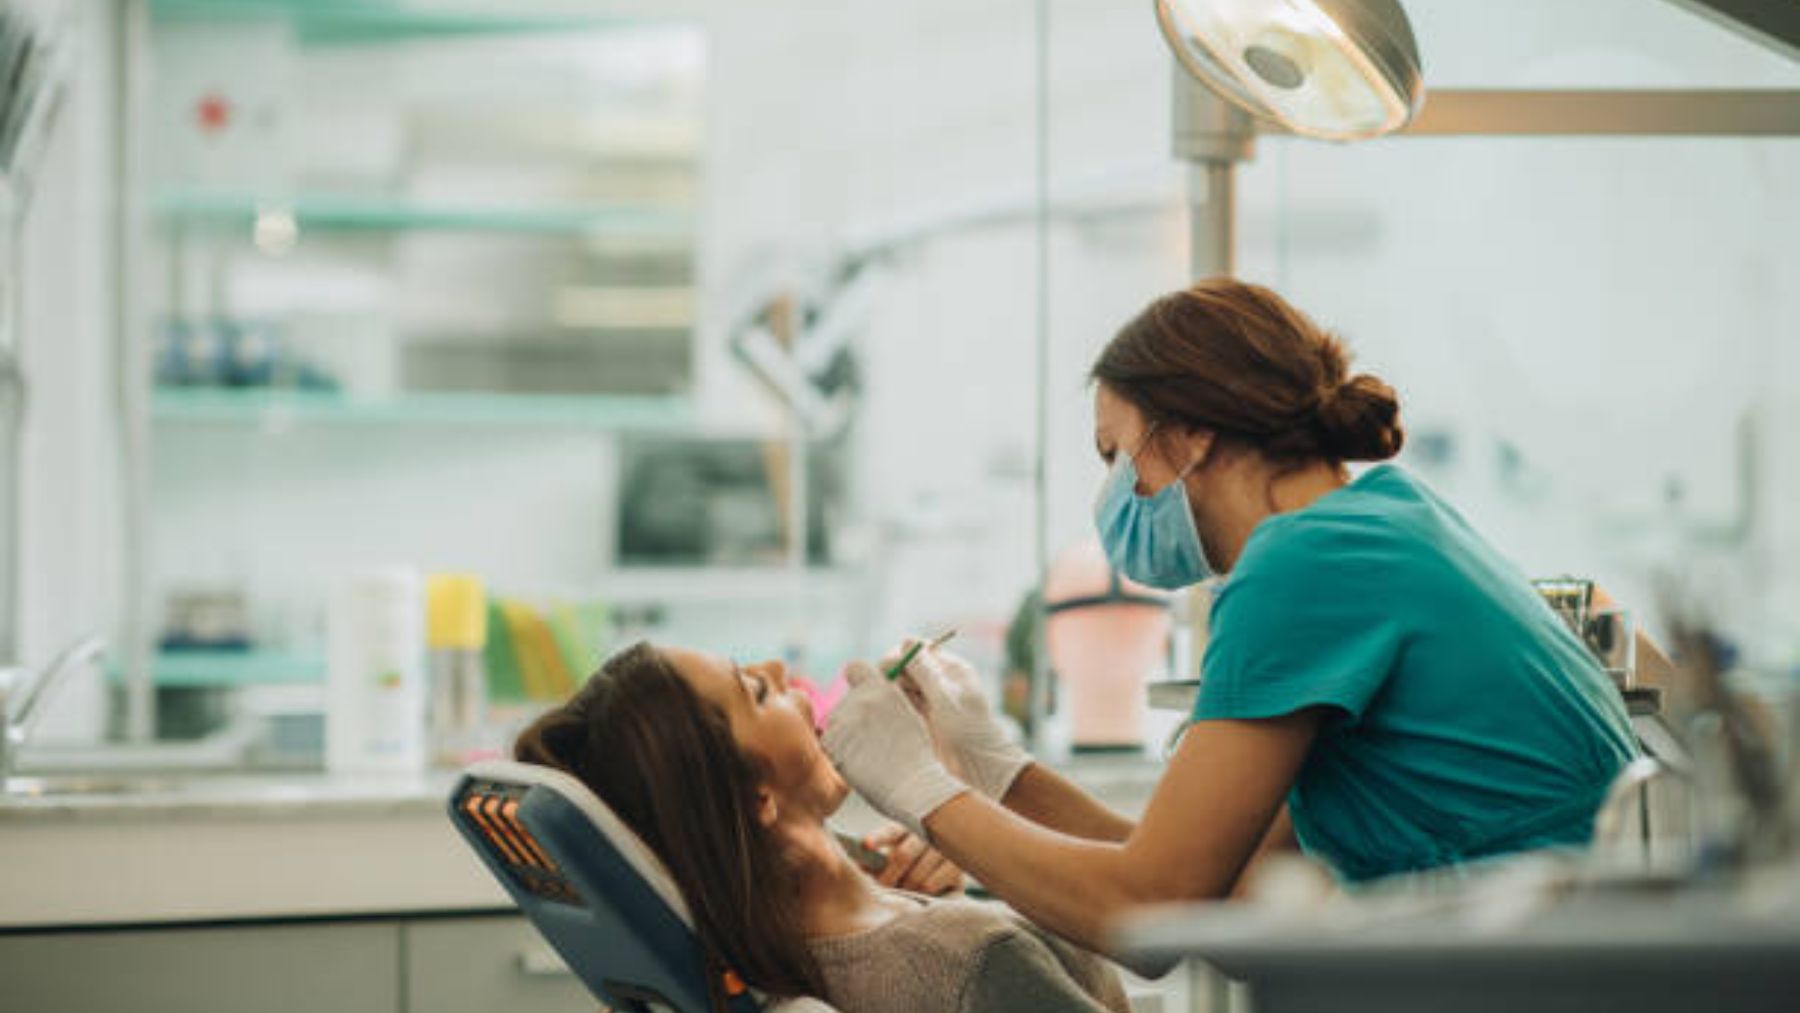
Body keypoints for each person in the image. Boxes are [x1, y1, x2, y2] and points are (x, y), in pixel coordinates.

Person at [822, 278, 1640, 957]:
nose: (1112, 494)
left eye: (1116, 455)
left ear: (1190, 435)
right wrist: (997, 771)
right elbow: (1224, 883)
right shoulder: (1384, 521)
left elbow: (1152, 909)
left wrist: (920, 789)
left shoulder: (1304, 564)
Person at [514, 642, 1130, 1013]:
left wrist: (950, 881)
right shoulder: (968, 960)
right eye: (756, 691)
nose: (780, 669)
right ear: (758, 798)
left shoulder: (759, 954)